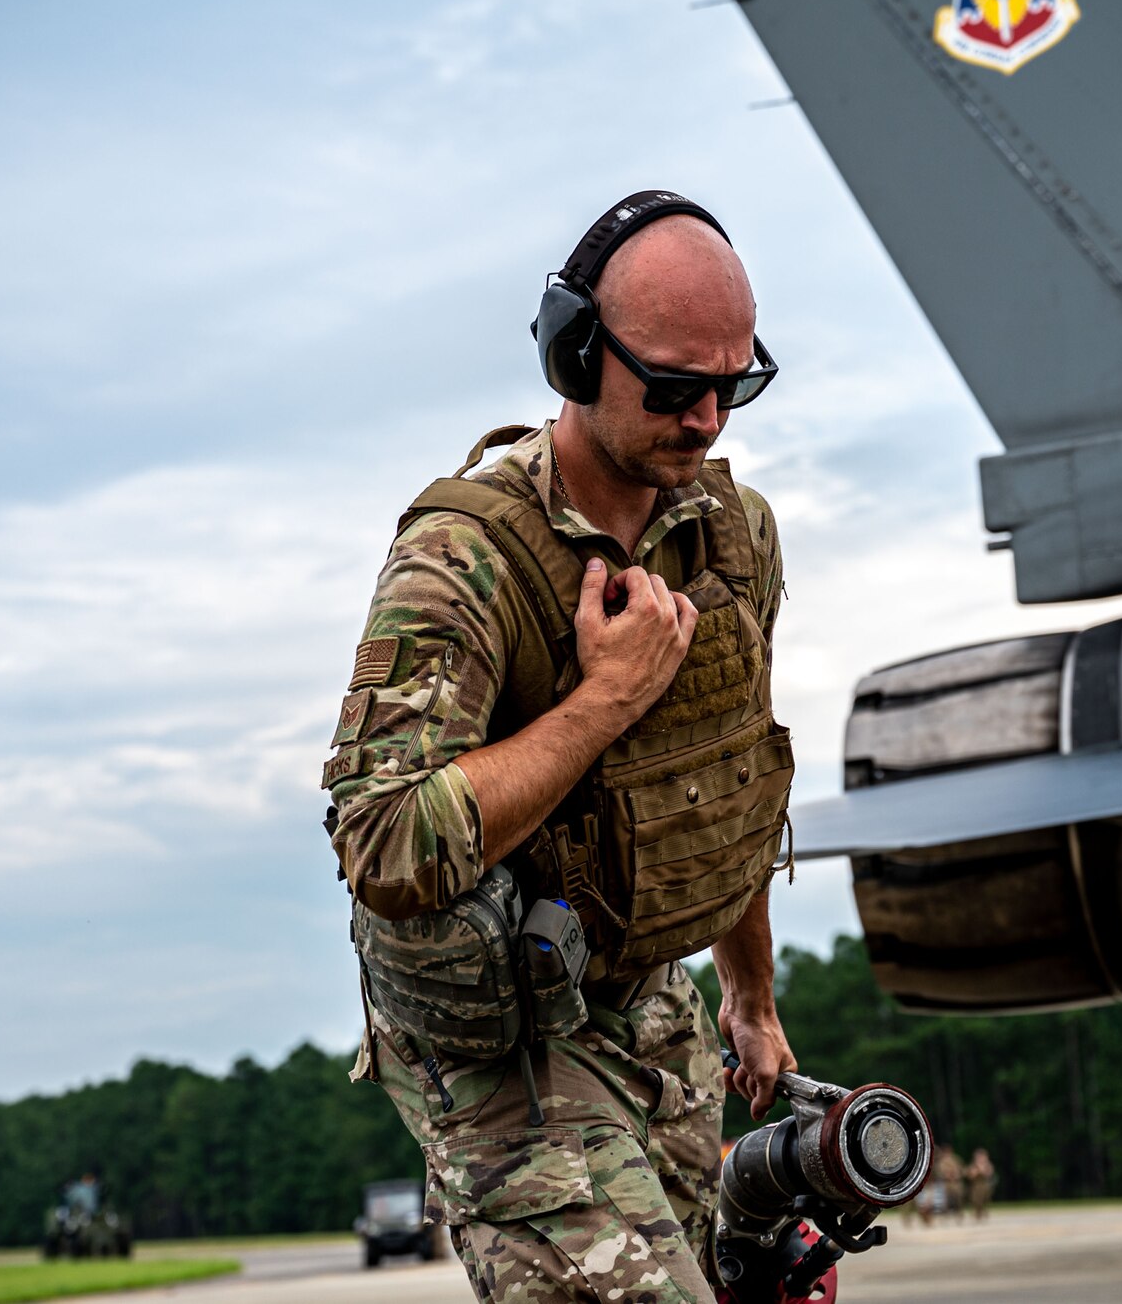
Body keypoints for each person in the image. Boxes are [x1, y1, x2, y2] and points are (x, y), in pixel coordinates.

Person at [324, 191, 796, 1303]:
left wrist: (752, 999)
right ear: (576, 355)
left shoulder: (730, 536)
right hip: (507, 1042)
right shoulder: (463, 558)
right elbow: (385, 843)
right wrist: (600, 702)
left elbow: (726, 784)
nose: (708, 420)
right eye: (674, 387)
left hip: (654, 1015)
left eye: (735, 385)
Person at [963, 1148, 996, 1221]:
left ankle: (982, 1211)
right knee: (976, 1199)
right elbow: (969, 1175)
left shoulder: (987, 1165)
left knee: (984, 1199)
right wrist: (977, 1171)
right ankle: (977, 1213)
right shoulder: (973, 1165)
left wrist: (981, 1170)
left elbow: (989, 1174)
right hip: (976, 1185)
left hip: (984, 1184)